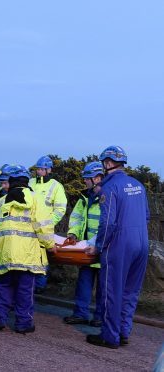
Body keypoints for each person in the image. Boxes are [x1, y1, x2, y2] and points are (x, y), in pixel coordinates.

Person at [86, 146, 150, 349]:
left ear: (106, 163)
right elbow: (147, 216)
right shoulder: (138, 184)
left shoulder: (110, 187)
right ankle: (123, 331)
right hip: (142, 242)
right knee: (130, 291)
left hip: (120, 244)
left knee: (112, 290)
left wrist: (98, 246)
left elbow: (108, 223)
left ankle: (110, 336)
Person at [0, 165, 55, 333]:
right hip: (27, 255)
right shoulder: (35, 199)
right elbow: (44, 227)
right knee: (25, 291)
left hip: (3, 253)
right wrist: (51, 246)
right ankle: (23, 323)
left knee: (3, 288)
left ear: (10, 181)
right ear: (26, 181)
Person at [63, 161, 104, 327]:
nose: (85, 181)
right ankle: (81, 313)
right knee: (84, 283)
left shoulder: (107, 197)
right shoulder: (84, 198)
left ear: (98, 178)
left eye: (88, 178)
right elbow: (77, 218)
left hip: (102, 248)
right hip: (86, 249)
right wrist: (73, 233)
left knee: (103, 287)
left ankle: (100, 316)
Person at [29, 155, 67, 293]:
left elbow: (60, 209)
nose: (39, 171)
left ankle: (40, 286)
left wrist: (48, 223)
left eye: (42, 169)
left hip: (44, 229)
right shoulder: (31, 182)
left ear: (49, 170)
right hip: (28, 227)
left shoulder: (56, 186)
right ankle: (30, 286)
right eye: (38, 169)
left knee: (43, 257)